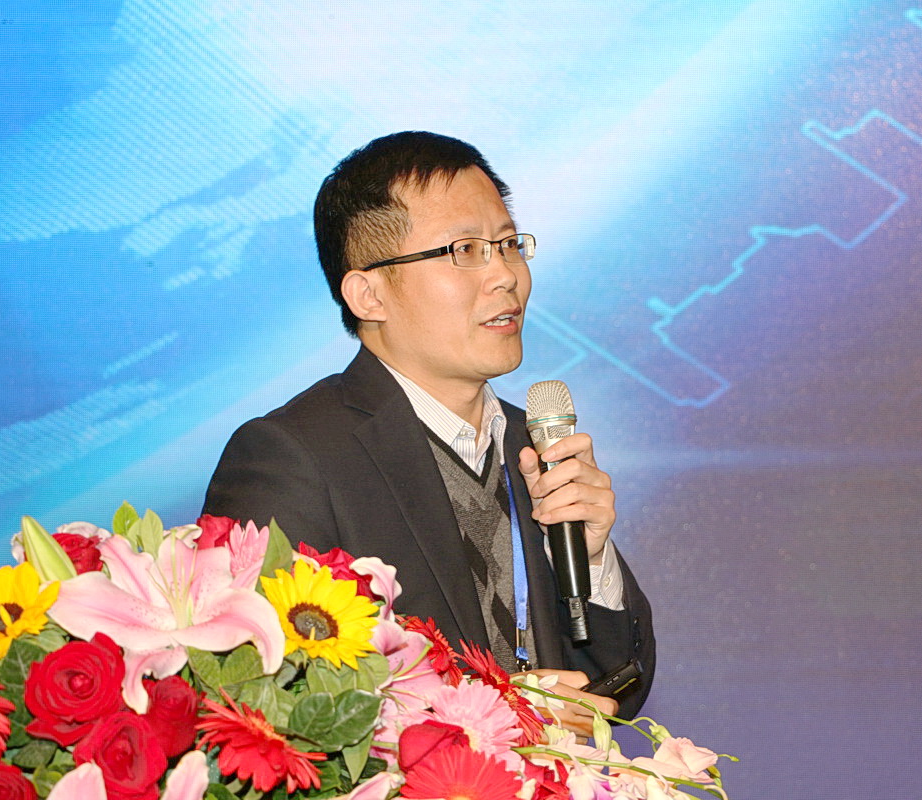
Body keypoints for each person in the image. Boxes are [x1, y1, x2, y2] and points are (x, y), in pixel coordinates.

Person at [203, 131, 654, 732]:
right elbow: (264, 700)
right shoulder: (293, 457)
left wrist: (590, 561)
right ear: (368, 294)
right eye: (465, 250)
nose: (505, 275)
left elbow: (617, 687)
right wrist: (496, 712)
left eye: (508, 244)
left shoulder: (533, 444)